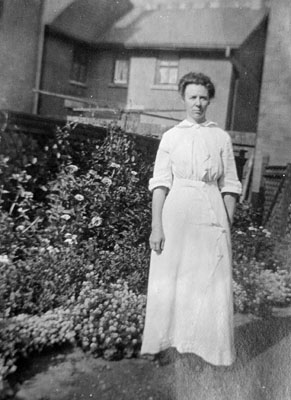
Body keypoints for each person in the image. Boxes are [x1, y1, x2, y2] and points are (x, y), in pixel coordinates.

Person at [141, 72, 242, 367]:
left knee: (207, 280)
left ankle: (206, 349)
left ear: (209, 99)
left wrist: (227, 224)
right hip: (177, 214)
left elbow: (231, 185)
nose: (197, 103)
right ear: (183, 99)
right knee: (171, 278)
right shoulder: (171, 137)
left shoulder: (220, 137)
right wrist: (156, 226)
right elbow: (160, 183)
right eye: (192, 97)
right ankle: (166, 344)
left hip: (211, 213)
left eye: (202, 97)